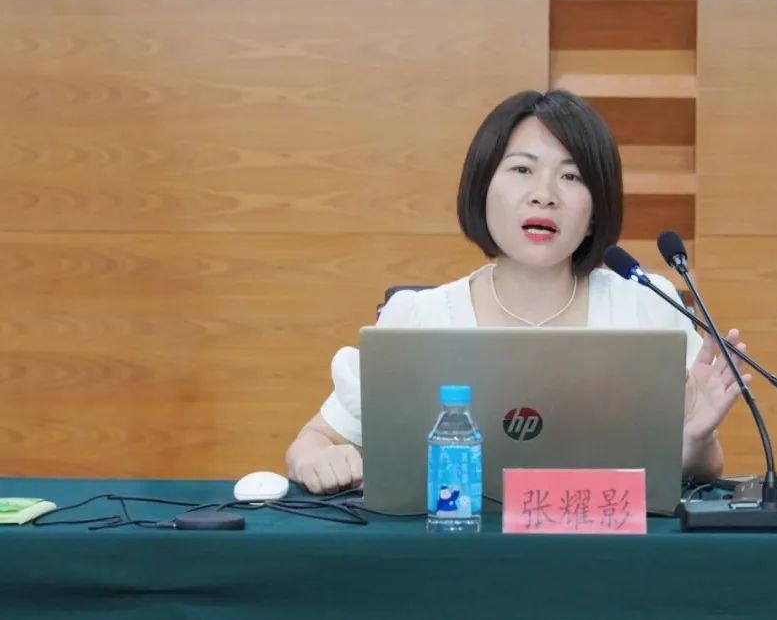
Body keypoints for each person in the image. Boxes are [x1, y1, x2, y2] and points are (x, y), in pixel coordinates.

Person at [285, 89, 750, 494]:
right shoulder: (417, 319)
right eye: (522, 169)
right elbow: (313, 441)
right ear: (483, 188)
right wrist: (318, 459)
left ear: (595, 210)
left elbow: (703, 469)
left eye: (571, 176)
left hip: (608, 556)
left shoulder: (644, 306)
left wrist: (696, 439)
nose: (544, 194)